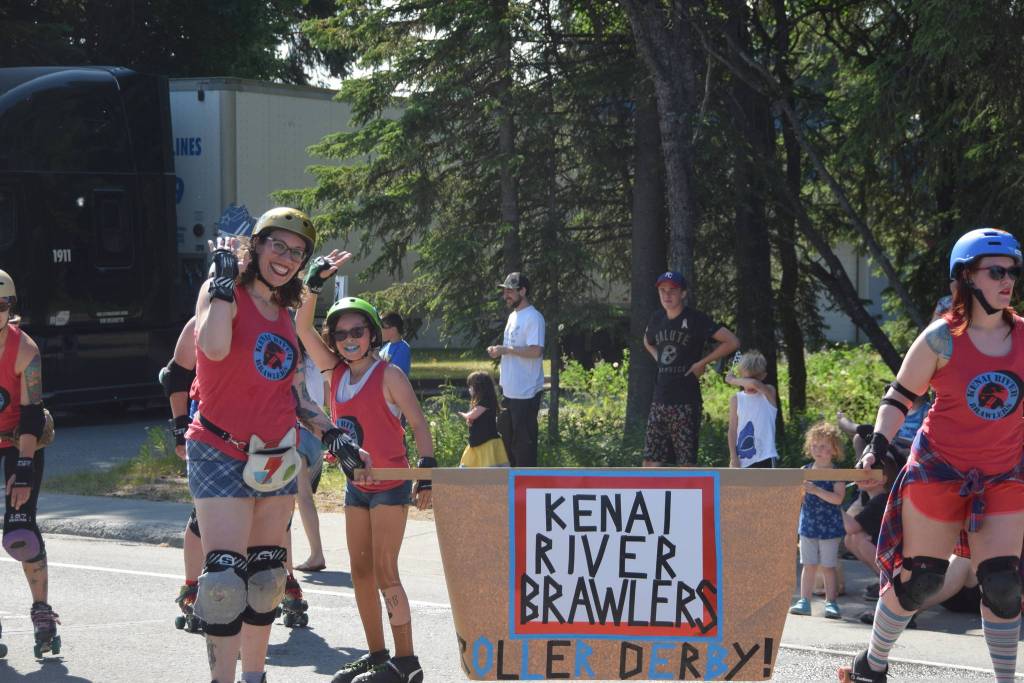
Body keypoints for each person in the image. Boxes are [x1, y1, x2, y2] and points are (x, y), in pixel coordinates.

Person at [840, 227, 1024, 683]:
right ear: (966, 279)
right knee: (922, 579)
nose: (1008, 281)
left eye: (1013, 272)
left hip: (1002, 474)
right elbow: (899, 398)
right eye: (996, 271)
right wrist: (877, 449)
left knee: (1003, 585)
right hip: (939, 469)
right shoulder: (941, 339)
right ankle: (873, 664)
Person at [186, 208, 350, 683]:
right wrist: (219, 283)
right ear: (255, 245)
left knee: (265, 580)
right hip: (220, 447)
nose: (286, 258)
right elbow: (213, 348)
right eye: (278, 245)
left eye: (296, 252)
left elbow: (295, 395)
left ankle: (255, 676)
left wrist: (331, 431)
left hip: (276, 455)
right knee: (223, 581)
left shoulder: (284, 315)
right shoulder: (224, 295)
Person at [298, 251, 433, 683]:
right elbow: (301, 326)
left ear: (372, 334)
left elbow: (418, 424)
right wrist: (312, 282)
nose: (349, 339)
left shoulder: (388, 374)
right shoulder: (333, 371)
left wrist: (426, 474)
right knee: (360, 574)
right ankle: (377, 655)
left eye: (358, 331)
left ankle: (407, 662)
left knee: (386, 572)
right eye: (341, 334)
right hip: (356, 486)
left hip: (391, 485)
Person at [0, 270, 60, 658]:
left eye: (0, 306)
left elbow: (31, 414)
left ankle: (42, 612)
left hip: (17, 438)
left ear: (10, 308)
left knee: (21, 530)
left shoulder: (25, 350)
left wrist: (22, 470)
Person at [642, 271, 739, 467]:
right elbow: (647, 340)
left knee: (686, 462)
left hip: (685, 401)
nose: (667, 295)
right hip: (659, 399)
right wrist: (658, 357)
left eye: (673, 290)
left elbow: (732, 341)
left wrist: (702, 363)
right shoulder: (657, 318)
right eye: (663, 291)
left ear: (683, 293)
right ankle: (652, 497)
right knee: (650, 461)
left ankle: (687, 497)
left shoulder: (696, 319)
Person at [790, 422, 847, 620]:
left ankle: (831, 602)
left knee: (828, 566)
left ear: (834, 449)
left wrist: (816, 490)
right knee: (808, 564)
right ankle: (804, 600)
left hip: (830, 528)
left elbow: (838, 498)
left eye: (823, 446)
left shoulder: (837, 474)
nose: (818, 450)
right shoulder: (805, 470)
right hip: (808, 526)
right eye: (815, 445)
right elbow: (798, 498)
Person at [487, 272, 545, 467]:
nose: (506, 296)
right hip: (509, 392)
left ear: (523, 291)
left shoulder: (534, 317)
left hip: (526, 393)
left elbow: (536, 351)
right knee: (508, 447)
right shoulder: (513, 316)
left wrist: (506, 350)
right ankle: (512, 492)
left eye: (510, 291)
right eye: (505, 292)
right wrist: (500, 351)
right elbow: (513, 349)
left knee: (524, 448)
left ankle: (527, 492)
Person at [725, 349, 777, 468]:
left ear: (764, 376)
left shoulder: (768, 393)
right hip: (742, 460)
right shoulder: (736, 400)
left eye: (753, 378)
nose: (748, 384)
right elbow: (732, 430)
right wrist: (733, 457)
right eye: (745, 379)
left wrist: (732, 380)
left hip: (766, 457)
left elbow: (755, 384)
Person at [458, 371, 509, 467]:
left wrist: (464, 415)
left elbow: (473, 415)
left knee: (489, 470)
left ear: (478, 387)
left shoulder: (485, 402)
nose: (469, 389)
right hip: (477, 441)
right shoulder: (481, 402)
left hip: (486, 443)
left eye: (471, 386)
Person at [379, 312, 412, 376]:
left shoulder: (402, 349)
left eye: (382, 327)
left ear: (393, 330)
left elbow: (395, 374)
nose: (380, 330)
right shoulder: (386, 346)